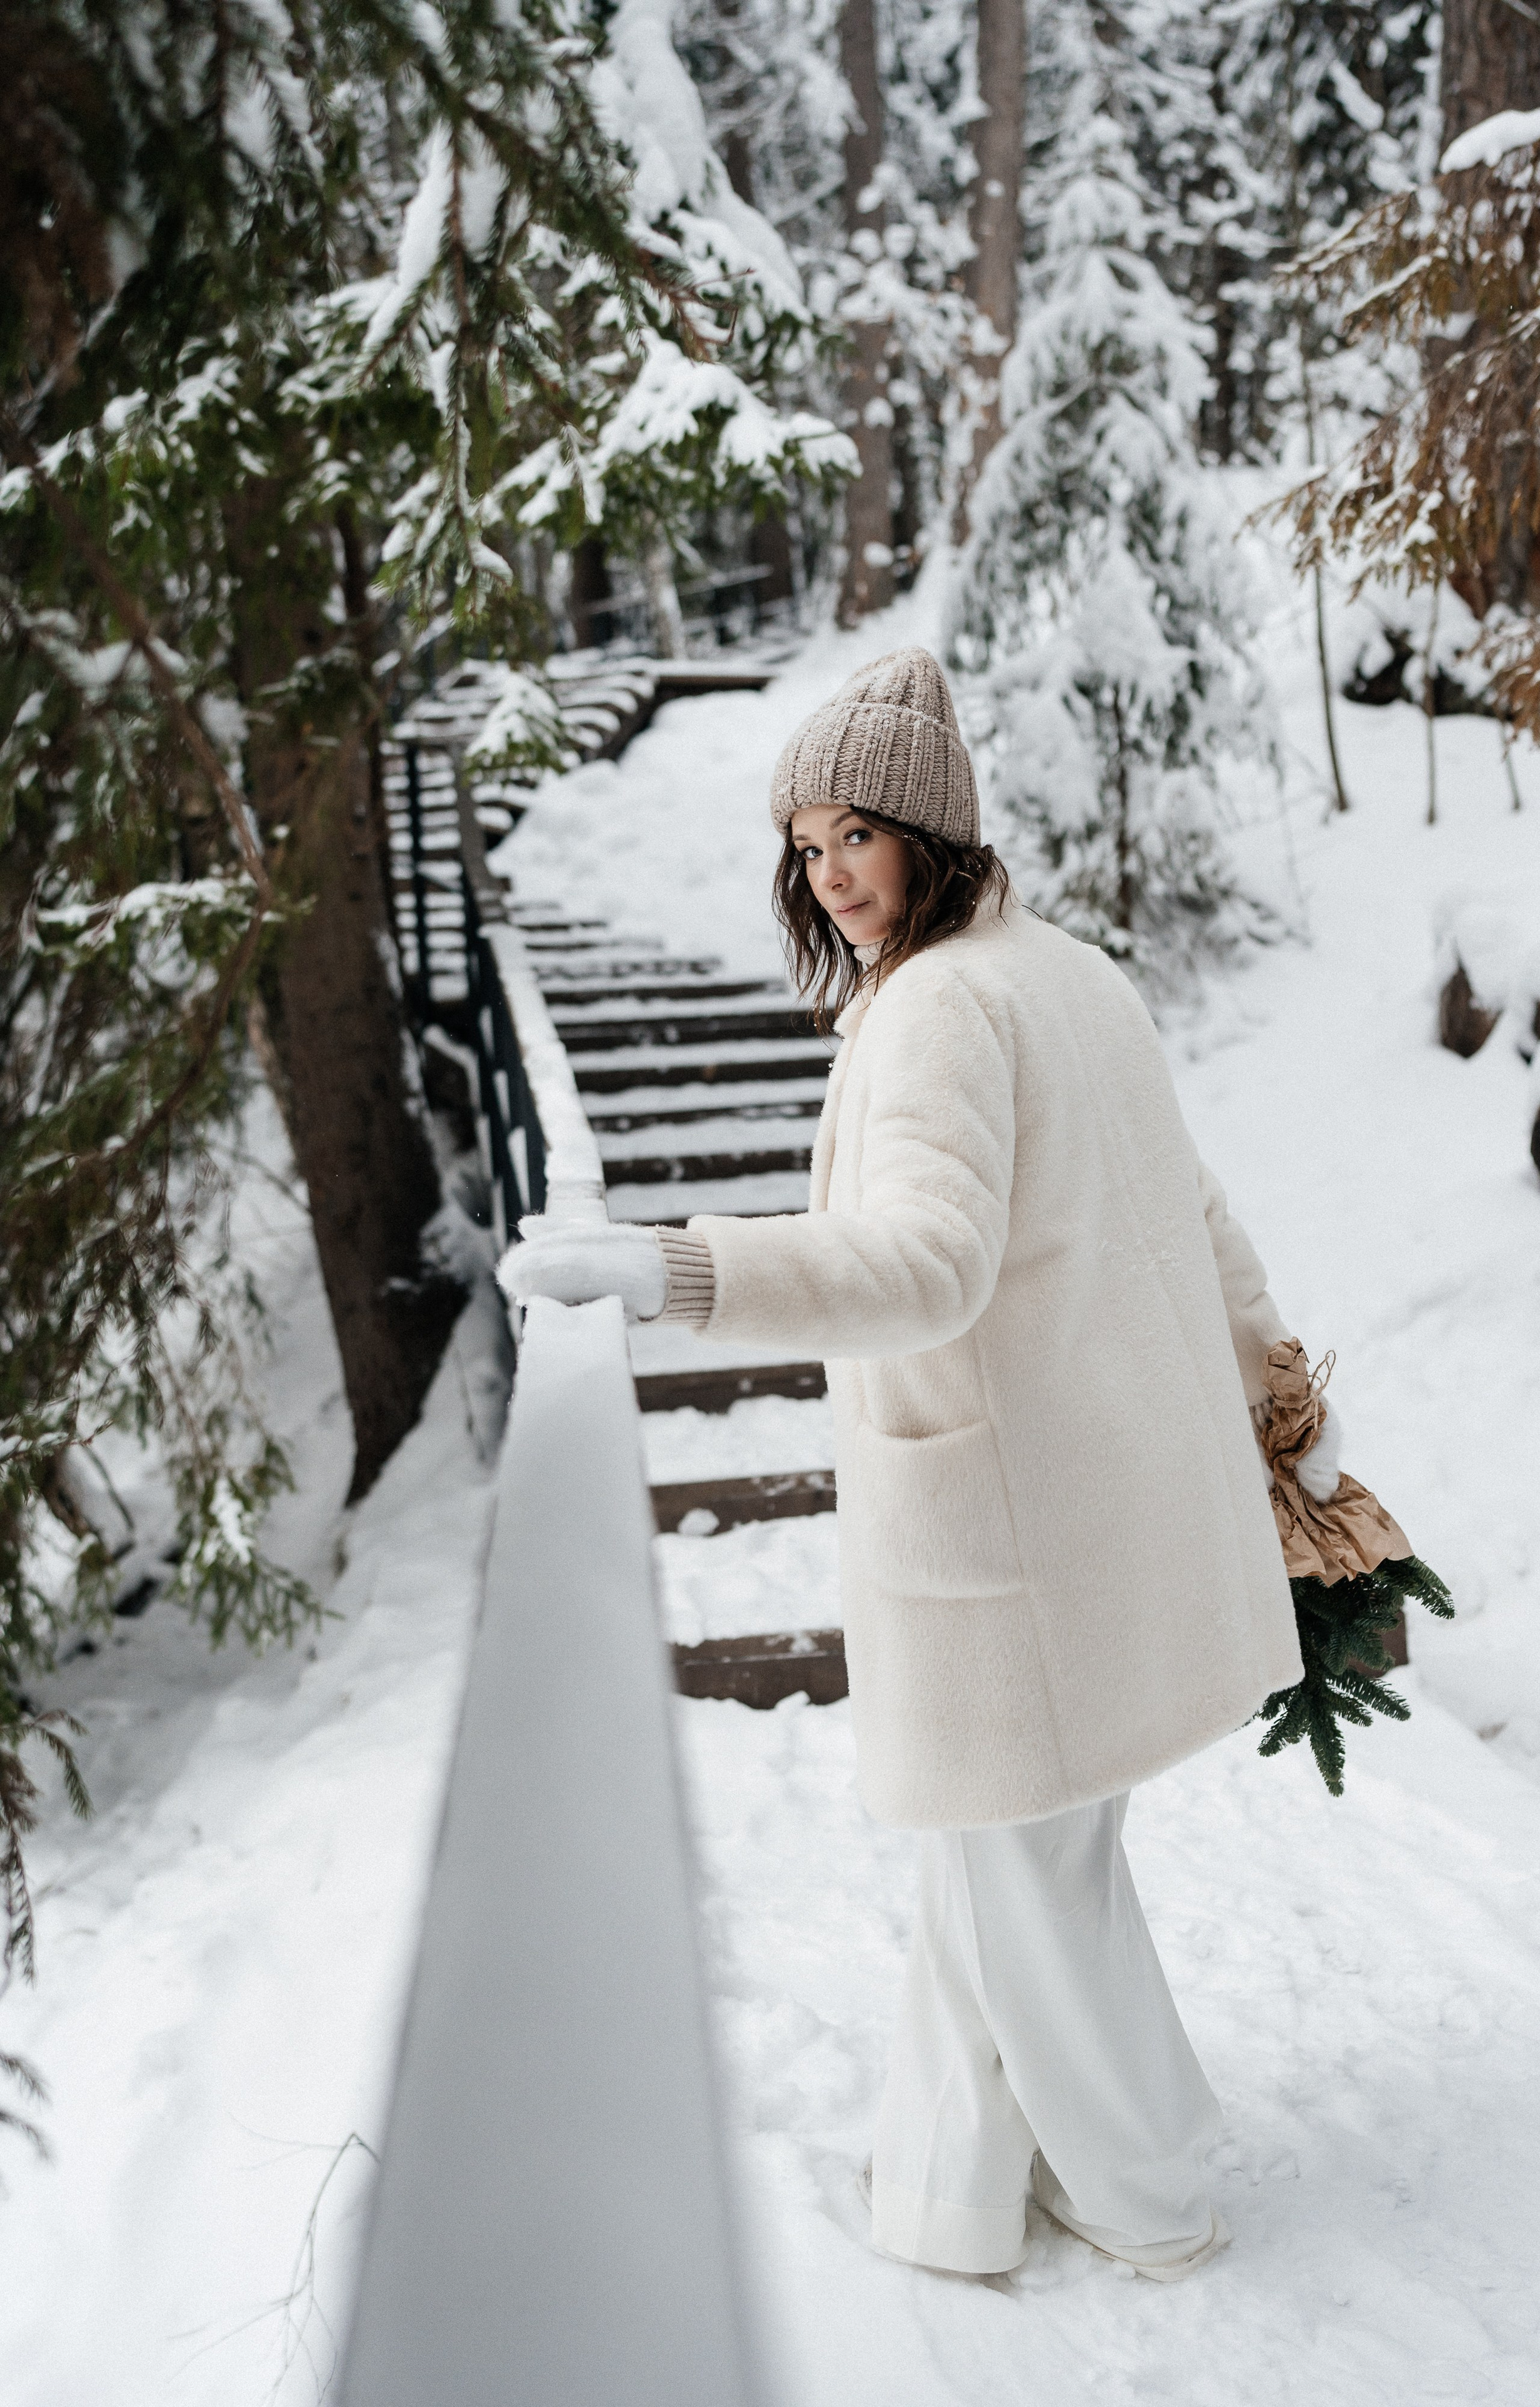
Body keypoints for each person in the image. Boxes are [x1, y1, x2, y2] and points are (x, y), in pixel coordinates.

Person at [500, 646, 1341, 2282]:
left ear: (931, 833)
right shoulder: (1069, 973)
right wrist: (1275, 1393)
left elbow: (924, 1265)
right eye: (807, 848)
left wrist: (672, 1270)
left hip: (1014, 1527)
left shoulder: (946, 1007)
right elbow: (1201, 1211)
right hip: (1075, 1498)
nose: (829, 876)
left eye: (856, 838)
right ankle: (952, 2194)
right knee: (1013, 1865)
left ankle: (1159, 2195)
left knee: (1027, 1883)